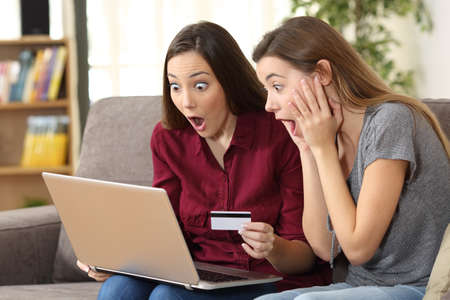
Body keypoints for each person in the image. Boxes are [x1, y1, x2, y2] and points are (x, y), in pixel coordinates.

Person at [77, 21, 331, 300]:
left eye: (200, 85)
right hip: (200, 274)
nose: (186, 101)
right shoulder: (168, 139)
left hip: (271, 279)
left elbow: (306, 257)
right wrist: (114, 257)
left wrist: (273, 246)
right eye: (175, 86)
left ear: (229, 82)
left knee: (166, 298)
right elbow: (164, 231)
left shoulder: (279, 132)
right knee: (118, 289)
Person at [253, 16, 450, 300]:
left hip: (419, 287)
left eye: (277, 86)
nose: (269, 105)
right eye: (267, 90)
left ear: (321, 73)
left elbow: (357, 249)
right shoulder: (328, 135)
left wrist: (322, 149)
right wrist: (307, 149)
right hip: (360, 287)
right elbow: (325, 248)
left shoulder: (391, 120)